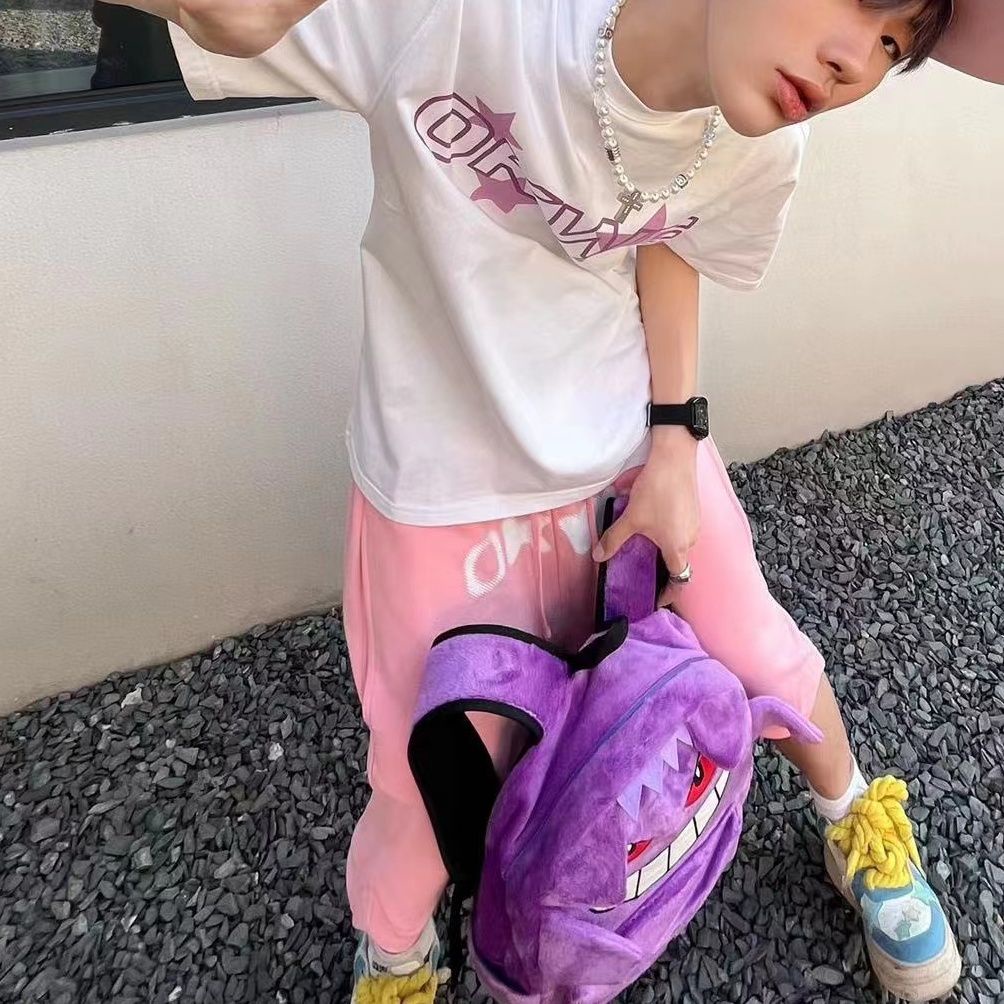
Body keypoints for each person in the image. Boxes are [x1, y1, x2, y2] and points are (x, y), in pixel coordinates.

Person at [95, 0, 1003, 1000]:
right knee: (430, 773)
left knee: (761, 648)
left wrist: (674, 434)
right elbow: (241, 19)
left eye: (895, 45)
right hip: (443, 488)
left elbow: (676, 227)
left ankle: (854, 821)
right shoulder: (462, 18)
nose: (856, 61)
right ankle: (395, 955)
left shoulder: (762, 133)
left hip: (631, 450)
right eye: (860, 0)